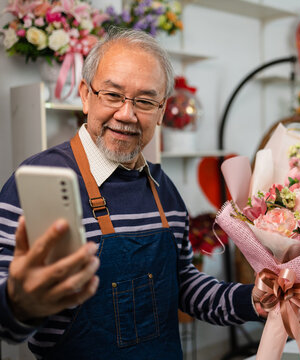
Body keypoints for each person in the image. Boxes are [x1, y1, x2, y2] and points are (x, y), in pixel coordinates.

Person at [0, 28, 264, 359]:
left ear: (162, 110)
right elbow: (5, 321)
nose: (127, 114)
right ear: (85, 95)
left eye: (144, 101)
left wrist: (254, 299)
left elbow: (183, 285)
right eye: (112, 95)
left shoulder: (163, 189)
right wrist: (19, 302)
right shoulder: (34, 183)